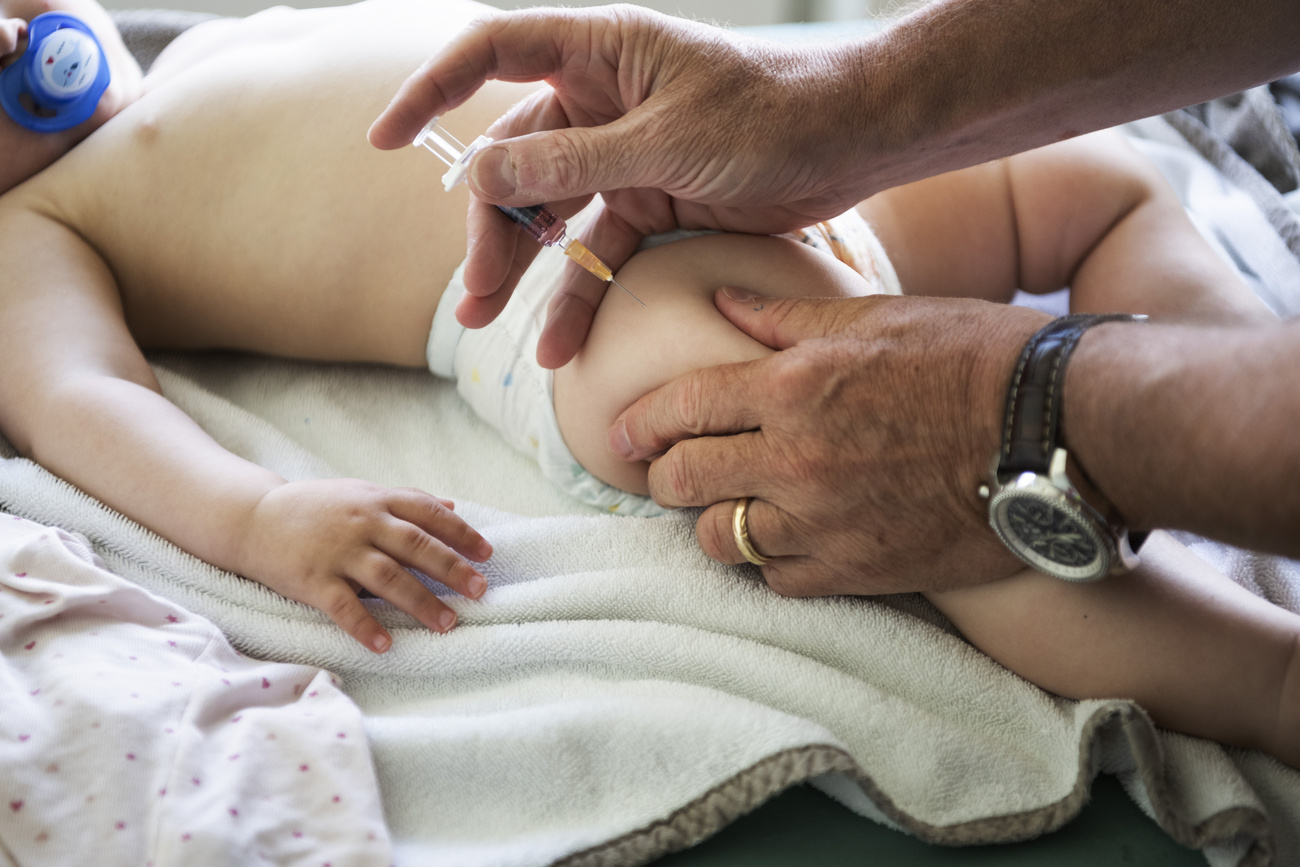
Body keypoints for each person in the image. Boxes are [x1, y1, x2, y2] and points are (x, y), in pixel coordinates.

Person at [0, 0, 1297, 767]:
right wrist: (255, 519)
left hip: (735, 159)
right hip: (575, 309)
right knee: (936, 504)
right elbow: (84, 398)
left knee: (1105, 179)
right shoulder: (31, 228)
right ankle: (1264, 676)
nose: (16, 33)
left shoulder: (188, 56)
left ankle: (1218, 364)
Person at [368, 0, 1300, 595]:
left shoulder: (222, 79)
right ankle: (1268, 661)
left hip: (652, 235)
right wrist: (256, 518)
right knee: (922, 484)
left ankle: (1257, 613)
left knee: (945, 508)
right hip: (624, 280)